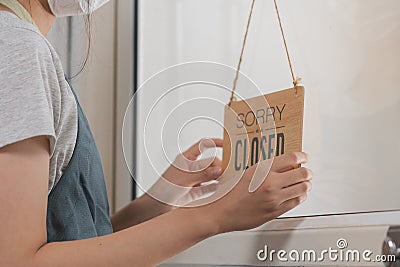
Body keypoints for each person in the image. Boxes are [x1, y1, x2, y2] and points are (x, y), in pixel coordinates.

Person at [0, 0, 313, 266]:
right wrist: (217, 213)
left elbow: (76, 238)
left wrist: (157, 201)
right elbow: (18, 260)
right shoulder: (16, 45)